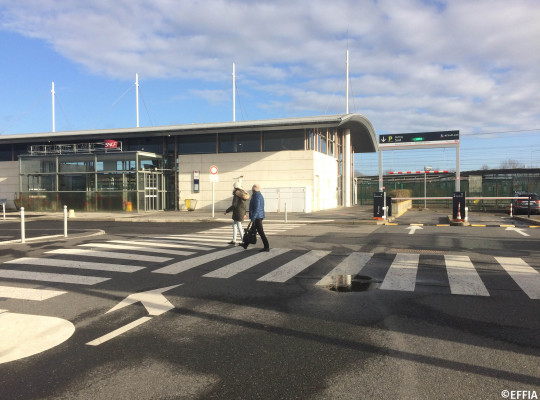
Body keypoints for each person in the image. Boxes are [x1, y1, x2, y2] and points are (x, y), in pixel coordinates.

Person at [243, 183, 269, 251]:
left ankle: (266, 247)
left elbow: (257, 208)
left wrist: (253, 218)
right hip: (258, 216)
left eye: (252, 189)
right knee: (252, 230)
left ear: (254, 189)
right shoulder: (256, 195)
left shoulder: (257, 196)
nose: (252, 190)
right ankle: (245, 244)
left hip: (257, 216)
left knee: (260, 232)